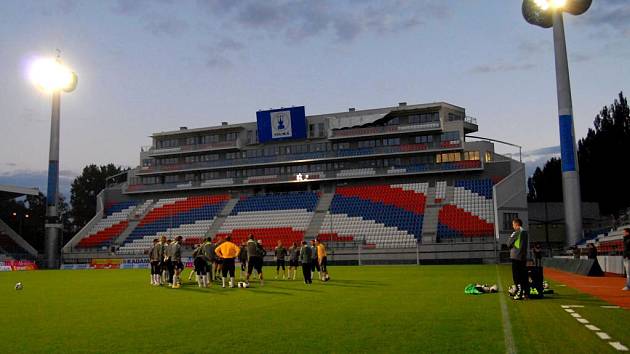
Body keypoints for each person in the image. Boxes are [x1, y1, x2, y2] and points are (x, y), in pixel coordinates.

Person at [508, 218, 528, 300]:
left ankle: (519, 293)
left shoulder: (516, 232)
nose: (513, 226)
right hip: (523, 257)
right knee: (523, 275)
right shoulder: (525, 232)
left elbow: (508, 243)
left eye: (513, 224)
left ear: (516, 224)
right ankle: (524, 293)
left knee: (516, 276)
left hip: (516, 257)